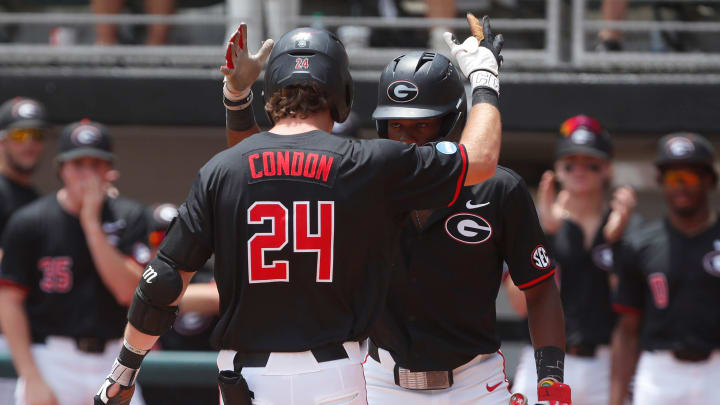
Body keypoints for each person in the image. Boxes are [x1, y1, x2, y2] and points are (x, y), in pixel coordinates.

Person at [93, 16, 505, 405]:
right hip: (333, 378)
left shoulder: (223, 168)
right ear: (341, 91)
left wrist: (125, 369)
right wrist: (483, 79)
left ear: (273, 92)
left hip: (244, 379)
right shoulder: (368, 162)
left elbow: (164, 281)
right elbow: (481, 159)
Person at [363, 50, 571, 405]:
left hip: (474, 385)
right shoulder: (362, 184)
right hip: (380, 381)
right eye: (396, 125)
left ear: (450, 123)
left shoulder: (500, 189)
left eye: (421, 125)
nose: (407, 140)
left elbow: (540, 289)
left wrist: (550, 380)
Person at [0, 120, 149, 405]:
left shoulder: (129, 216)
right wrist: (30, 375)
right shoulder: (30, 221)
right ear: (62, 169)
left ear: (110, 170)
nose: (88, 174)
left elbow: (128, 292)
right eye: (78, 164)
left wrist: (91, 224)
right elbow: (8, 300)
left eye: (97, 164)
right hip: (51, 357)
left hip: (113, 359)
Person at [511, 115, 638, 405]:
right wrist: (545, 238)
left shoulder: (625, 227)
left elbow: (631, 308)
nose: (580, 171)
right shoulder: (538, 225)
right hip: (544, 360)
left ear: (607, 169)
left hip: (604, 364)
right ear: (558, 168)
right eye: (571, 163)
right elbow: (520, 304)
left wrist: (616, 241)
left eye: (591, 163)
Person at [610, 132, 720, 405]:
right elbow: (627, 328)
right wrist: (616, 398)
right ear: (661, 183)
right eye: (672, 178)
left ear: (709, 180)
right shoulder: (641, 244)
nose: (680, 186)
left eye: (689, 177)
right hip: (659, 373)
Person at [0, 97, 48, 404]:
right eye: (19, 135)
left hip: (24, 334)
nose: (28, 143)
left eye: (36, 135)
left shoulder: (34, 198)